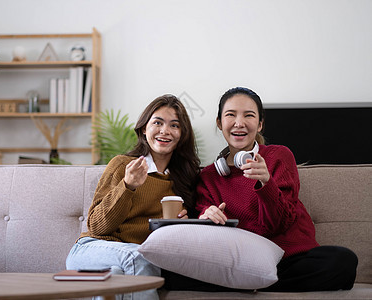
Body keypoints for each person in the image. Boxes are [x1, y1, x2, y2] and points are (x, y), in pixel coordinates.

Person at [192, 86, 357, 292]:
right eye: (230, 115)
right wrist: (207, 217)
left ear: (260, 124)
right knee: (173, 274)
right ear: (219, 123)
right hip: (243, 261)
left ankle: (248, 284)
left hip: (289, 260)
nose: (239, 123)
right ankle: (250, 281)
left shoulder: (279, 156)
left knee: (342, 261)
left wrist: (265, 183)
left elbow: (279, 224)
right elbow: (203, 232)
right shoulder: (208, 176)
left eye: (249, 116)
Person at [65, 94, 201, 300]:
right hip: (92, 250)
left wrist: (179, 226)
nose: (165, 131)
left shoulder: (184, 180)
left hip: (131, 260)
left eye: (175, 125)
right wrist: (127, 186)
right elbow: (97, 227)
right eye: (158, 122)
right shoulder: (122, 165)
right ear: (144, 128)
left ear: (182, 135)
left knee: (117, 280)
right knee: (139, 258)